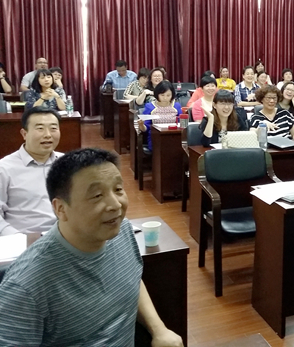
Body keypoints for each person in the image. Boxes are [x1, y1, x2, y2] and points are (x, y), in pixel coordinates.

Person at [0, 148, 183, 346]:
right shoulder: (25, 287)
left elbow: (130, 277)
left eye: (118, 189)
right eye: (97, 195)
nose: (115, 205)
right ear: (60, 208)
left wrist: (159, 329)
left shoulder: (122, 230)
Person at [0, 107, 61, 235]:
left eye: (53, 128)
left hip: (67, 237)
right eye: (40, 128)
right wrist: (19, 239)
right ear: (24, 134)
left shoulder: (67, 163)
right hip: (24, 239)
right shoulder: (4, 168)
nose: (48, 135)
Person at [137, 81, 182, 151]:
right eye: (162, 95)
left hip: (174, 136)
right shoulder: (150, 107)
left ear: (172, 95)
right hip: (156, 138)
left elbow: (181, 124)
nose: (165, 98)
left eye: (168, 95)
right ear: (157, 94)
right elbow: (145, 129)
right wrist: (141, 125)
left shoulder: (176, 106)